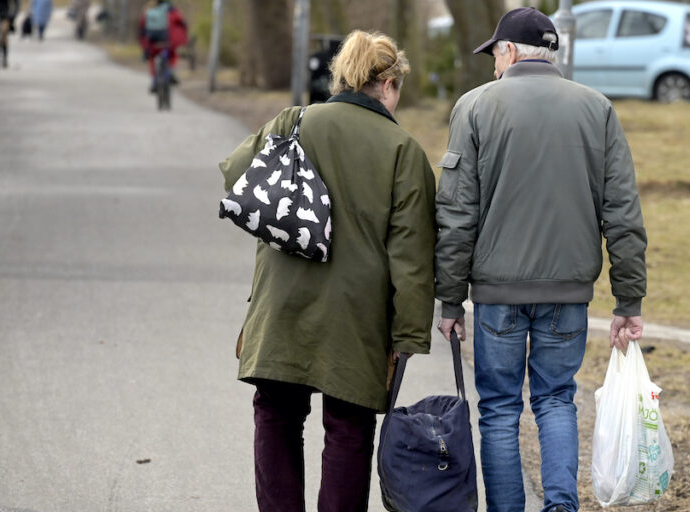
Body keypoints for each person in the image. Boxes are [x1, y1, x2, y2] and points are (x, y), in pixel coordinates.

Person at [434, 7, 647, 512]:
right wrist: (628, 297)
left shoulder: (475, 107)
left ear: (509, 52)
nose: (492, 66)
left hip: (496, 293)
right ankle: (559, 506)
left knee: (501, 410)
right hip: (566, 292)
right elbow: (621, 210)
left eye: (494, 54)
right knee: (556, 400)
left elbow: (457, 212)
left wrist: (449, 300)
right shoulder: (597, 109)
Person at [217, 30, 436, 512]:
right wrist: (408, 337)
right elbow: (413, 260)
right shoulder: (404, 153)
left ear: (341, 77)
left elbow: (236, 174)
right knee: (349, 427)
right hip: (355, 316)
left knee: (276, 413)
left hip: (282, 301)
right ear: (389, 84)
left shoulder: (293, 121)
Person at [139, 0, 188, 93]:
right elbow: (182, 23)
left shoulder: (148, 12)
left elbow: (142, 28)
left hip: (153, 42)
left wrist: (144, 45)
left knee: (153, 58)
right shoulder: (173, 12)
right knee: (173, 54)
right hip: (168, 42)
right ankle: (171, 71)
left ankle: (154, 81)